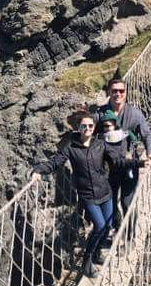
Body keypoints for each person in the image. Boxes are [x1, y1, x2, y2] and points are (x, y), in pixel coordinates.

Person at [32, 110, 120, 277]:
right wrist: (38, 170)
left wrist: (139, 162)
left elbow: (118, 160)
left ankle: (95, 253)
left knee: (107, 227)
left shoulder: (100, 144)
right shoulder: (71, 148)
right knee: (100, 226)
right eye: (83, 126)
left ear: (94, 128)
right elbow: (55, 162)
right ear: (78, 128)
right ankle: (87, 262)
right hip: (88, 196)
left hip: (105, 193)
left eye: (90, 125)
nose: (87, 128)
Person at [98, 111, 144, 224]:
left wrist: (133, 152)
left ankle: (130, 233)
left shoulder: (126, 134)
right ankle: (118, 226)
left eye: (108, 125)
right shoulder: (101, 141)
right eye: (104, 126)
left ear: (115, 124)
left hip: (128, 172)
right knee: (111, 203)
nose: (106, 129)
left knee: (126, 202)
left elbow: (136, 143)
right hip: (112, 174)